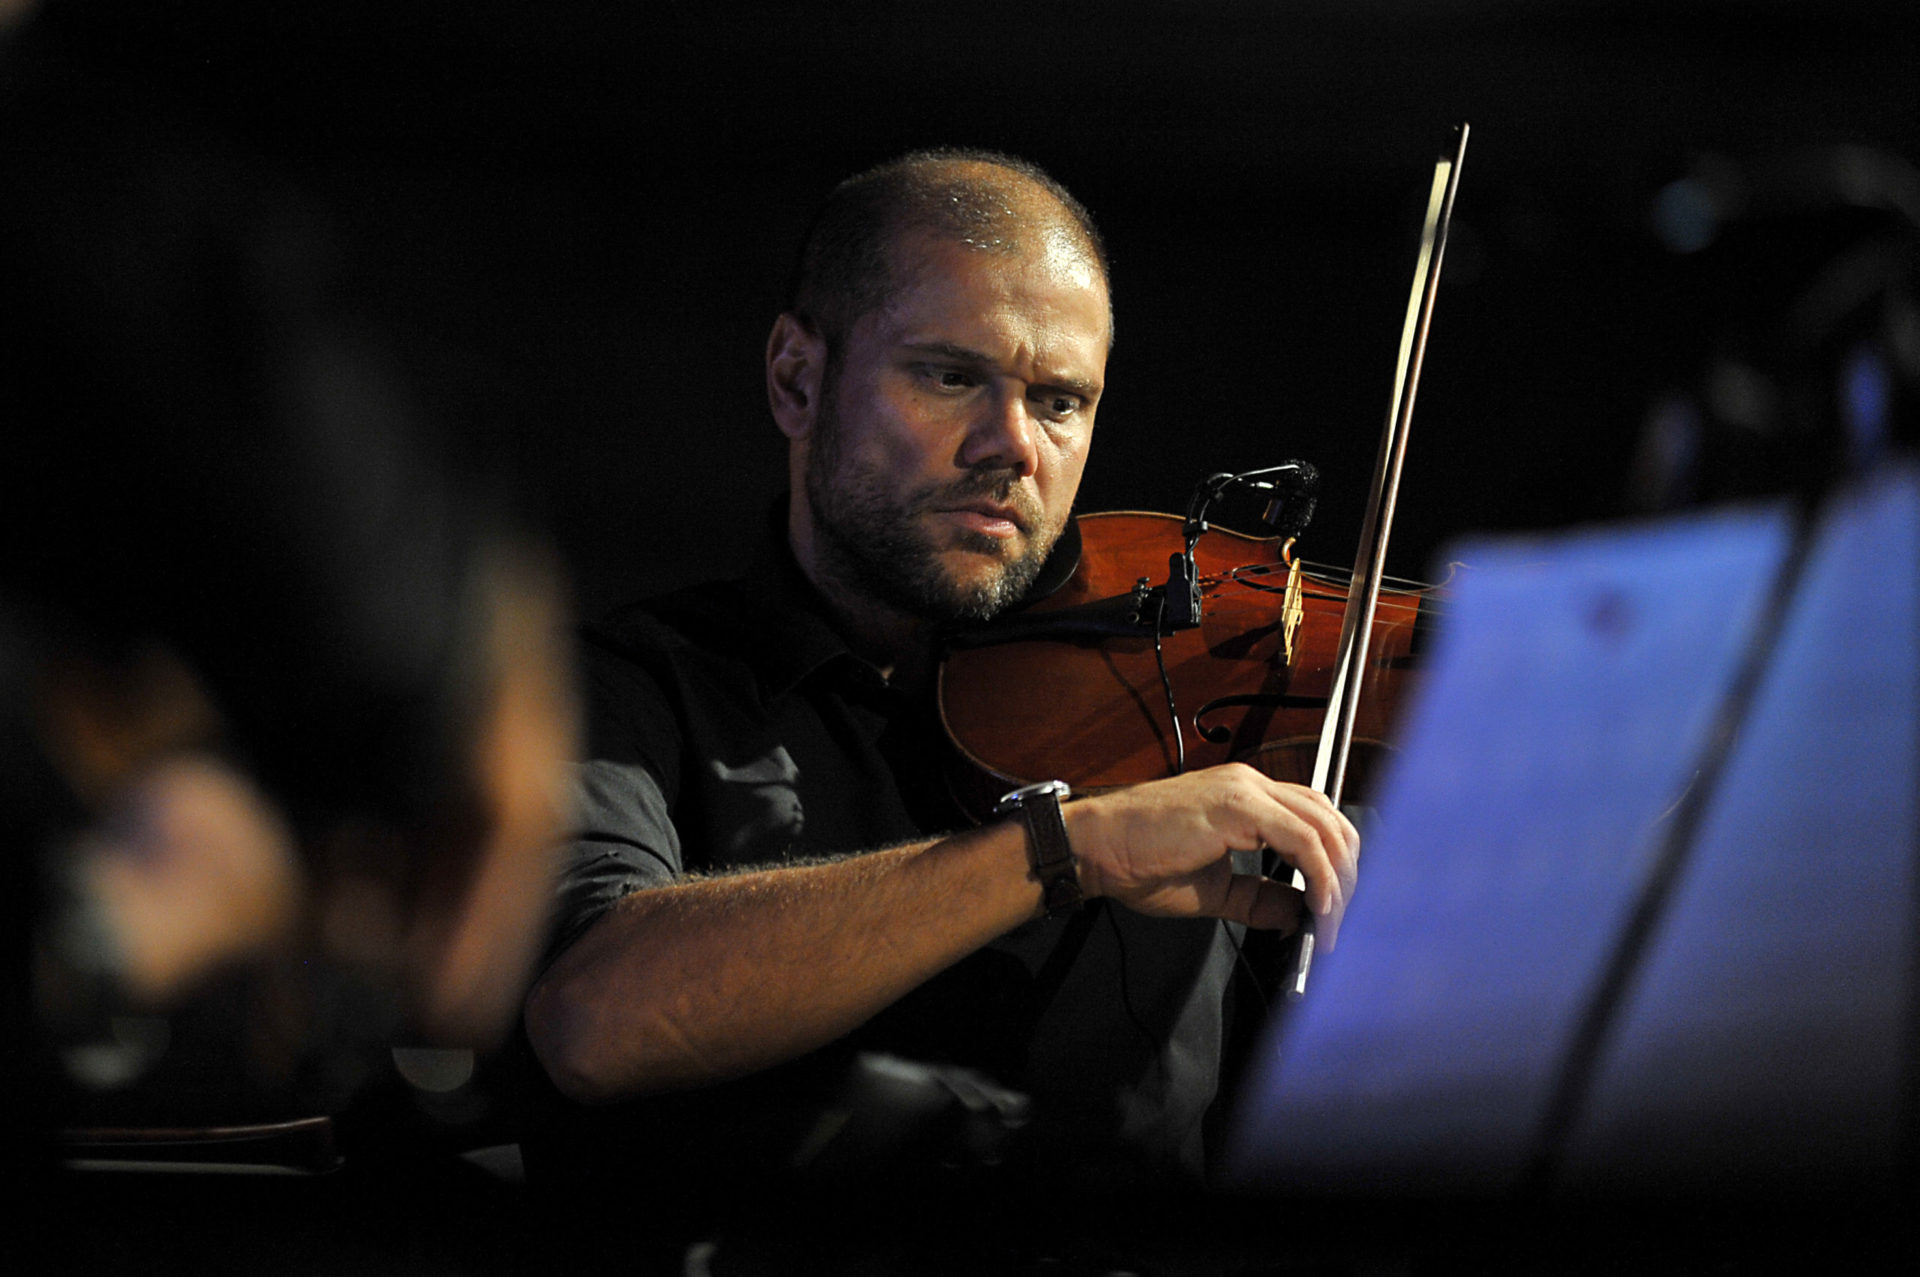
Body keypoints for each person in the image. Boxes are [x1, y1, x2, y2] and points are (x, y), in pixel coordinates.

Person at [521, 149, 1359, 1216]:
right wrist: (1068, 847)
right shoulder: (623, 690)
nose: (1013, 445)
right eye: (951, 375)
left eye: (1060, 400)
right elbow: (593, 1020)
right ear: (797, 378)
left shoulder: (1206, 705)